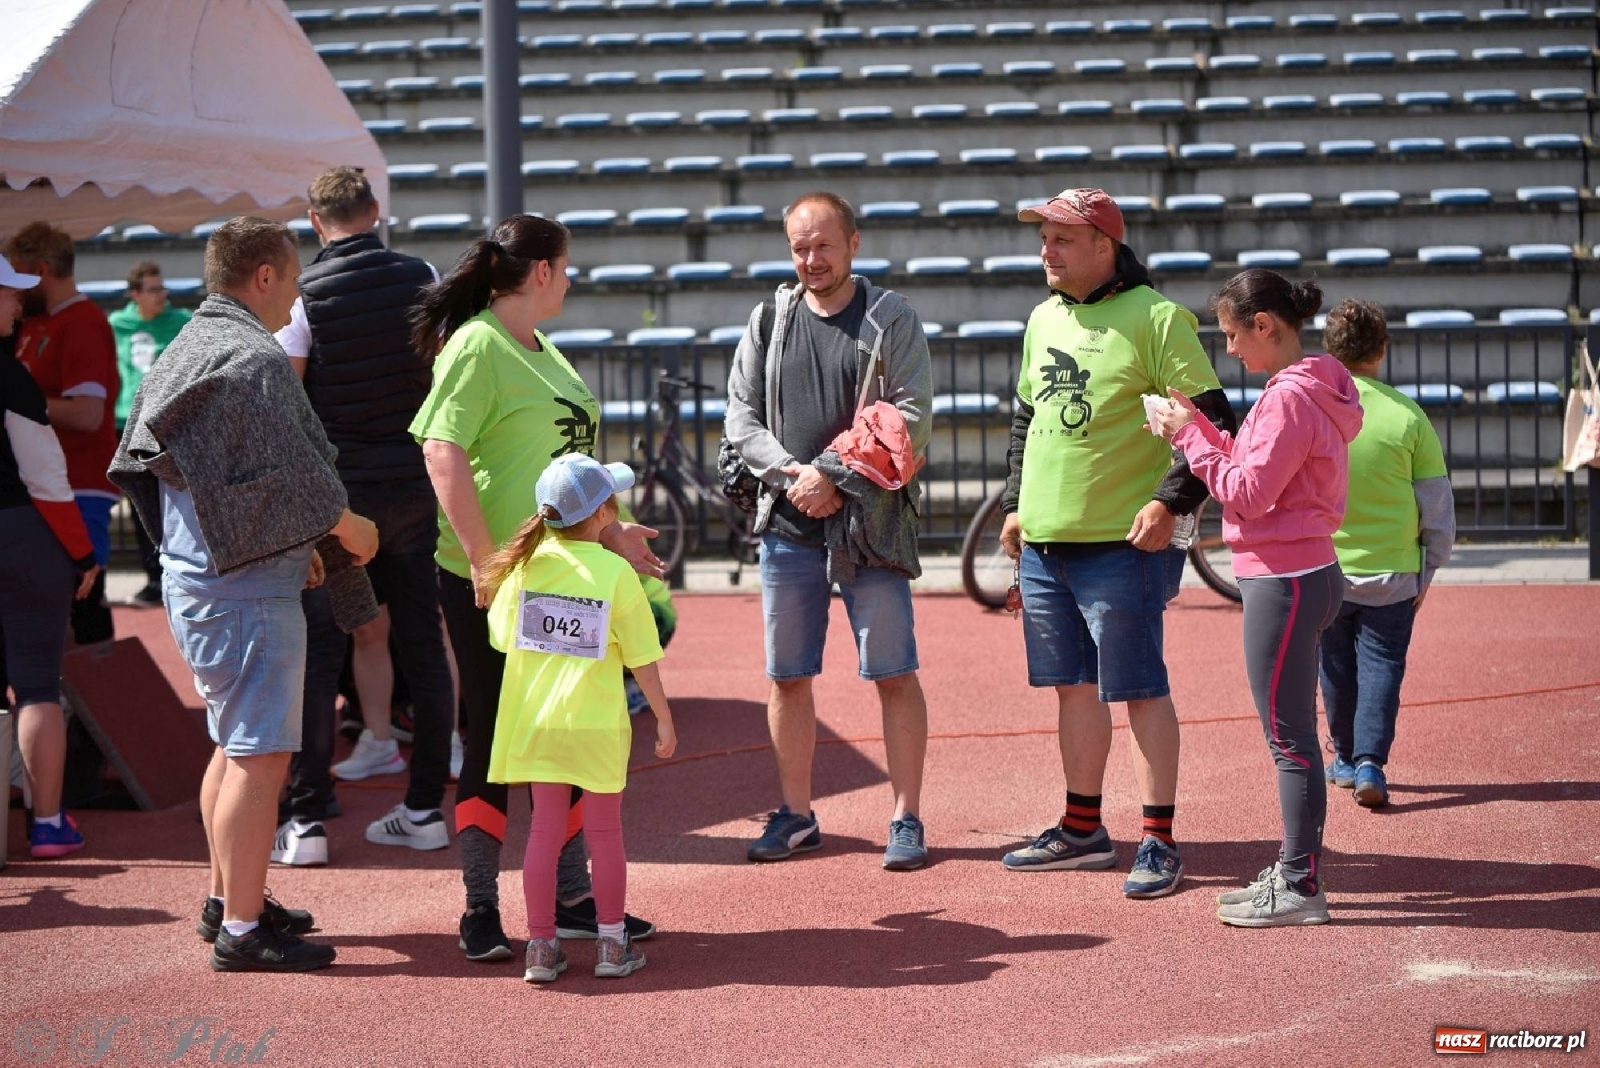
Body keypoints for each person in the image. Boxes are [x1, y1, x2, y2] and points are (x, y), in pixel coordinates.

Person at [109, 217, 380, 971]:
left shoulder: (189, 343)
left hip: (204, 575)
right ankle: (242, 928)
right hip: (241, 590)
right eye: (291, 280)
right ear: (263, 276)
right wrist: (349, 530)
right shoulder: (252, 357)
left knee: (234, 748)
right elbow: (296, 476)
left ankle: (230, 899)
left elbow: (212, 476)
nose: (295, 295)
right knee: (261, 757)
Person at [410, 213, 664, 962]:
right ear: (543, 271)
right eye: (568, 265)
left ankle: (574, 899)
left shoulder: (541, 347)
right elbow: (441, 450)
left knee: (571, 731)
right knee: (492, 738)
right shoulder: (477, 344)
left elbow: (566, 475)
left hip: (563, 580)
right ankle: (481, 907)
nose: (573, 277)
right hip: (497, 585)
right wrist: (487, 561)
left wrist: (610, 537)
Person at [996, 188, 1237, 900]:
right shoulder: (1043, 317)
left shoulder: (1158, 317)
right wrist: (1015, 504)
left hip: (1123, 548)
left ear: (1104, 243)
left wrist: (1171, 503)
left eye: (1062, 238)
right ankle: (1082, 830)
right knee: (1072, 690)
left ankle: (1159, 839)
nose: (1047, 249)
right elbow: (1024, 419)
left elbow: (1213, 421)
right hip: (1045, 545)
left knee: (1139, 691)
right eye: (1043, 236)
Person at [724, 191, 934, 871]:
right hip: (787, 526)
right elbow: (740, 420)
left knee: (894, 673)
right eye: (799, 247)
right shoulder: (768, 319)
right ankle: (795, 814)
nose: (811, 259)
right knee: (788, 677)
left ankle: (905, 817)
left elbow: (911, 417)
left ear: (853, 245)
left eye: (823, 245)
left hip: (869, 528)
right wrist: (793, 477)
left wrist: (831, 477)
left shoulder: (890, 316)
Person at [1148, 269, 1363, 927]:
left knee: (1289, 741)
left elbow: (1247, 493)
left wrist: (1186, 436)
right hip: (1304, 571)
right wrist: (1197, 429)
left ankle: (1300, 884)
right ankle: (1297, 872)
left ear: (1265, 326)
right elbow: (1248, 470)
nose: (1232, 350)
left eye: (1236, 336)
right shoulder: (1311, 387)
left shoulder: (1289, 398)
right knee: (1292, 735)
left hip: (1284, 578)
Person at [270, 165, 454, 867]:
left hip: (342, 498)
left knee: (321, 651)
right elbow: (441, 373)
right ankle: (424, 808)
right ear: (374, 210)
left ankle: (309, 820)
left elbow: (290, 406)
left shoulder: (303, 295)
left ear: (315, 221)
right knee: (424, 643)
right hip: (413, 486)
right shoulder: (421, 272)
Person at [478, 453, 676, 982]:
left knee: (543, 828)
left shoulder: (523, 568)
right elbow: (643, 657)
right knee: (605, 831)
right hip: (597, 723)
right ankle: (612, 944)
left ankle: (540, 948)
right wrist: (663, 719)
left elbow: (499, 636)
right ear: (606, 511)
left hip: (536, 721)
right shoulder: (615, 572)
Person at [1318, 299, 1454, 809]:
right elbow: (1436, 508)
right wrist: (1429, 569)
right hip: (1394, 571)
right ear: (1383, 349)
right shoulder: (1407, 416)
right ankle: (1372, 760)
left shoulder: (1315, 409)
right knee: (1382, 666)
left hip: (1326, 569)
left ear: (1330, 350)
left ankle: (1346, 758)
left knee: (1333, 666)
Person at [0, 259, 101, 859]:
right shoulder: (11, 377)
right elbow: (46, 479)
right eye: (11, 295)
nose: (19, 307)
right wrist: (83, 553)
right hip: (20, 535)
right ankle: (46, 825)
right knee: (36, 687)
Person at [5, 222, 119, 643]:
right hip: (47, 483)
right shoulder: (37, 324)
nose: (15, 292)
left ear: (39, 269)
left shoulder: (82, 323)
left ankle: (97, 702)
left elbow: (87, 414)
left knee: (80, 599)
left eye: (20, 277)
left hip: (77, 484)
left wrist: (13, 403)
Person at [108, 261, 192, 607]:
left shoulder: (182, 321)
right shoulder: (116, 324)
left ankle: (182, 575)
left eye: (163, 287)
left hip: (168, 424)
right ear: (135, 294)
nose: (163, 295)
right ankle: (154, 579)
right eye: (154, 289)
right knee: (140, 503)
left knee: (175, 501)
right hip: (126, 423)